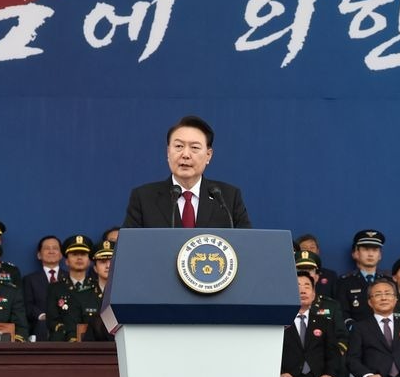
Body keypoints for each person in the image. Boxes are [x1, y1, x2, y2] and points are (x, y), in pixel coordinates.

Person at [123, 115, 251, 229]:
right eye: (179, 146)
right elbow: (130, 250)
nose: (185, 154)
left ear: (208, 155)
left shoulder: (227, 197)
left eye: (194, 147)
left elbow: (247, 247)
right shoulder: (144, 198)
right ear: (168, 152)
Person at [277, 275, 348, 377]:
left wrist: (329, 373)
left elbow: (333, 353)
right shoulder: (279, 323)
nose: (302, 290)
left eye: (307, 286)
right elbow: (270, 353)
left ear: (314, 294)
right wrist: (281, 373)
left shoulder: (324, 322)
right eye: (298, 286)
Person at [294, 250, 348, 359]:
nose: (305, 274)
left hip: (325, 366)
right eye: (300, 270)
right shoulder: (285, 306)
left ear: (317, 276)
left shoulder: (331, 306)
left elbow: (342, 338)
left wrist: (330, 360)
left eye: (310, 270)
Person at [335, 230, 390, 330]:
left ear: (380, 255)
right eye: (365, 249)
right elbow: (342, 313)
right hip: (357, 336)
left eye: (375, 250)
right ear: (355, 253)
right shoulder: (344, 282)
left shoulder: (389, 281)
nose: (370, 254)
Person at [47, 235, 94, 341]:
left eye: (83, 254)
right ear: (66, 261)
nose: (79, 258)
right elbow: (52, 320)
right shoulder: (55, 288)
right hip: (63, 342)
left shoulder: (96, 288)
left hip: (92, 343)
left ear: (90, 261)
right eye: (74, 254)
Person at [22, 235, 67, 341]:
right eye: (47, 248)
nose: (51, 251)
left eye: (55, 248)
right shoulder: (29, 279)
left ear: (61, 255)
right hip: (41, 327)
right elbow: (27, 305)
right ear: (39, 255)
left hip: (67, 326)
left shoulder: (69, 278)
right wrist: (42, 315)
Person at [80, 240, 115, 342]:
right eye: (103, 262)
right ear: (95, 268)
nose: (108, 266)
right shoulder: (83, 294)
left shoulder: (126, 294)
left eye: (111, 261)